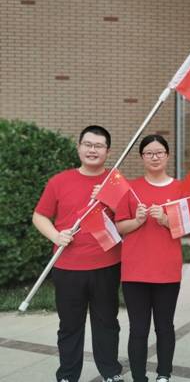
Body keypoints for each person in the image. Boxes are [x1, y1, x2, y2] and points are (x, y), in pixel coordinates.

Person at [33, 125, 123, 382]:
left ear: (107, 151)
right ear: (79, 147)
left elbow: (127, 219)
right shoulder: (59, 181)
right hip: (68, 266)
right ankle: (68, 375)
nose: (93, 150)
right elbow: (39, 216)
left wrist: (110, 199)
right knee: (70, 325)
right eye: (88, 144)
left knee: (107, 323)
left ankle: (110, 372)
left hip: (106, 263)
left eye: (99, 146)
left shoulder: (115, 181)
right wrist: (55, 236)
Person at [115, 134, 185, 382]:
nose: (154, 157)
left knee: (165, 326)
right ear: (142, 157)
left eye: (159, 153)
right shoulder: (129, 188)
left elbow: (186, 227)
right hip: (135, 271)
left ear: (167, 155)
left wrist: (165, 220)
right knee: (138, 328)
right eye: (149, 153)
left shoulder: (180, 188)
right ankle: (138, 377)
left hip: (167, 270)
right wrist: (138, 220)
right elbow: (120, 227)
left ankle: (164, 374)